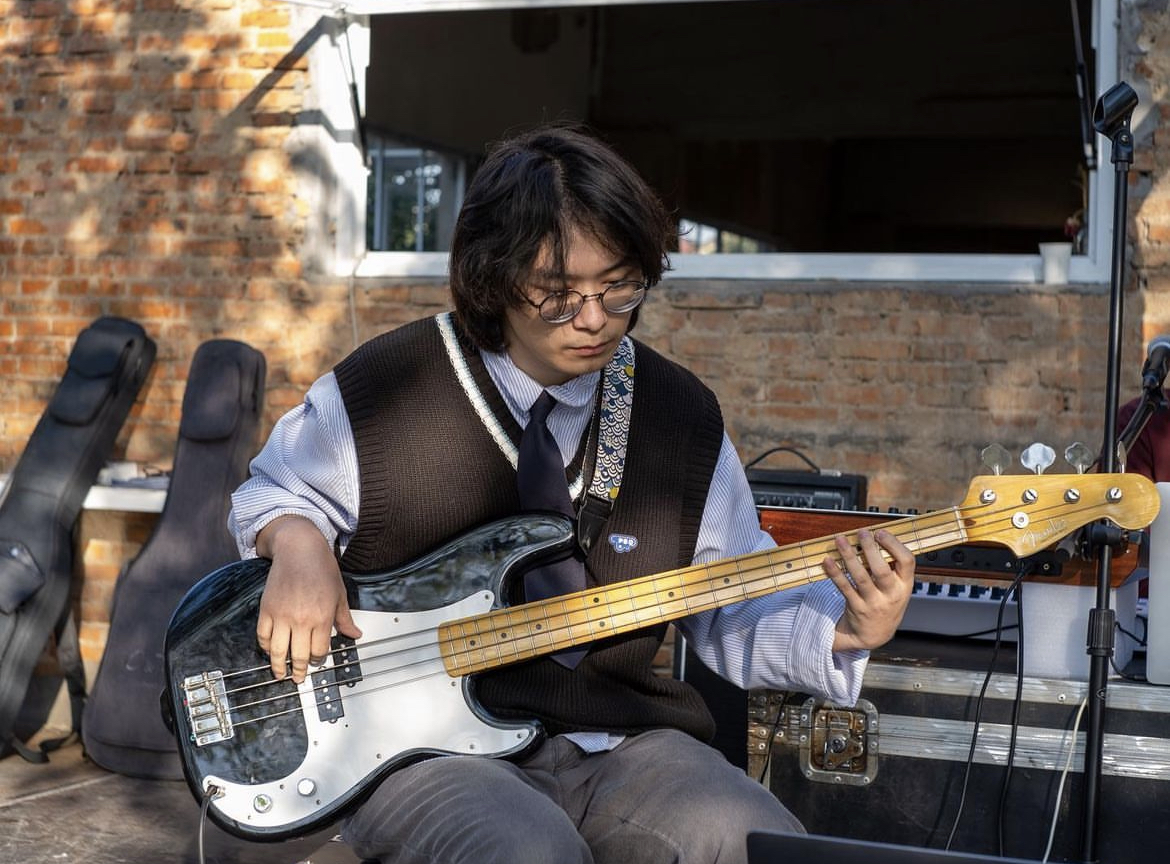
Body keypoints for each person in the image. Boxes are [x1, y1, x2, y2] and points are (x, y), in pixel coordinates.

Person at [228, 124, 917, 864]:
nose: (593, 320)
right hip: (421, 753)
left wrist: (845, 627)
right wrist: (297, 543)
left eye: (620, 286)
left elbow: (732, 604)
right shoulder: (385, 386)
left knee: (760, 841)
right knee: (526, 852)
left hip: (623, 747)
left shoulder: (678, 414)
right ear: (494, 278)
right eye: (557, 294)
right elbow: (270, 493)